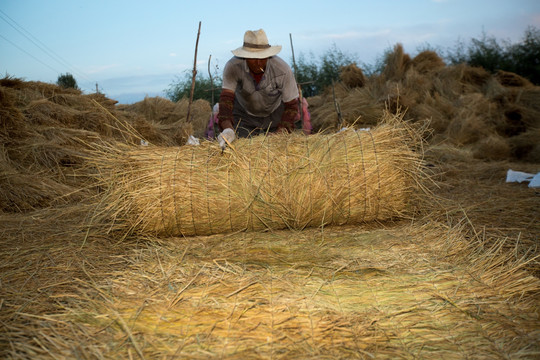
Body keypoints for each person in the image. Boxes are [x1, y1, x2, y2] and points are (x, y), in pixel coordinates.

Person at [217, 29, 299, 150]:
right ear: (245, 56)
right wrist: (228, 128)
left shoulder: (282, 69)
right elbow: (226, 99)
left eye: (262, 57)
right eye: (253, 58)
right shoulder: (233, 67)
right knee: (243, 150)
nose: (258, 62)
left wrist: (281, 131)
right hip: (245, 115)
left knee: (275, 151)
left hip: (274, 113)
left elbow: (291, 105)